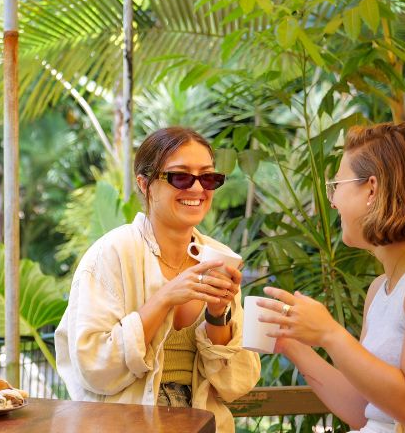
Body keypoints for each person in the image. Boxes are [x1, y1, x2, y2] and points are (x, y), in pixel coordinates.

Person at [257, 122, 405, 432]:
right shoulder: (380, 288)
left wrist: (329, 333)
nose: (332, 202)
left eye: (337, 185)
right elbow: (365, 410)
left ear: (372, 188)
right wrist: (292, 345)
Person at [55, 126, 261, 433]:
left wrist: (218, 316)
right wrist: (165, 298)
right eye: (180, 177)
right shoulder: (111, 255)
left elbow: (234, 383)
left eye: (207, 177)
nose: (196, 189)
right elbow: (94, 367)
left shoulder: (220, 258)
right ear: (145, 183)